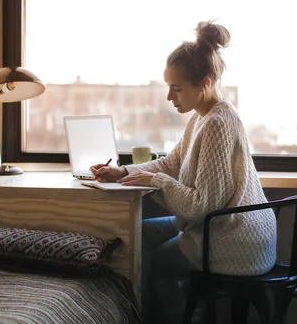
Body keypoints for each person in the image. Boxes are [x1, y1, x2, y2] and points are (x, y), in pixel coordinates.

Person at [90, 20, 277, 323]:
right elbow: (170, 163)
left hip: (235, 239)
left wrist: (157, 181)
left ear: (204, 84)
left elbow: (202, 205)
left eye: (176, 88)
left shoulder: (218, 123)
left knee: (160, 261)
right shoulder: (202, 117)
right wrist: (123, 171)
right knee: (141, 233)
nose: (169, 97)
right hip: (219, 224)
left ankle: (181, 318)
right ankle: (144, 313)